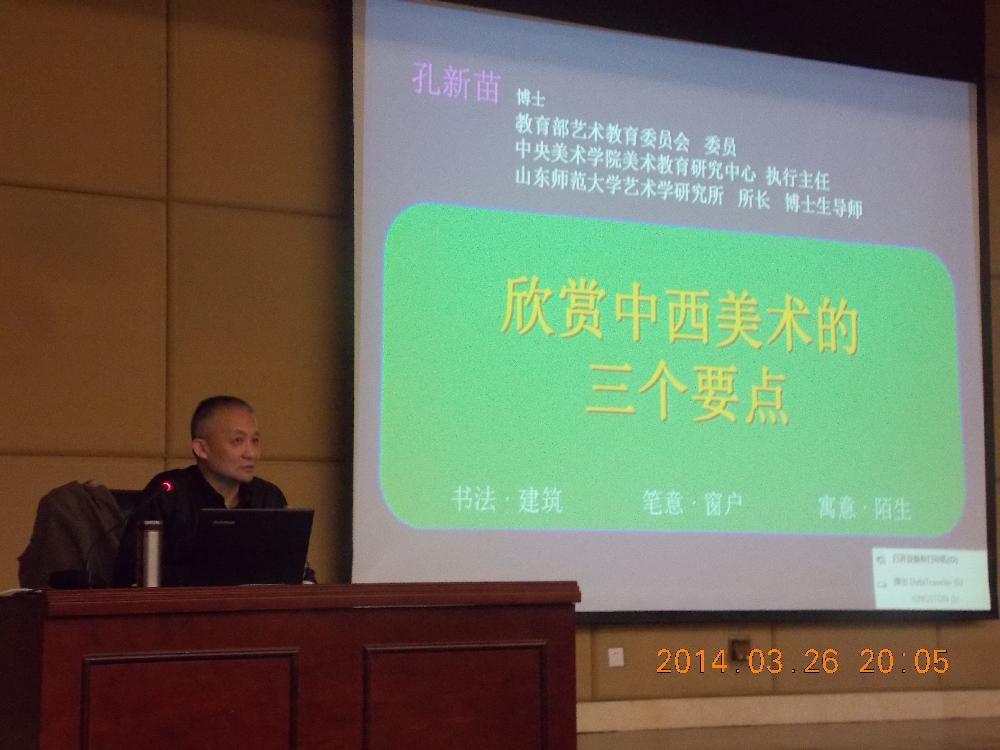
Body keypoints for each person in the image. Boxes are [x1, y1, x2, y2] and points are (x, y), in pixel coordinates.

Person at [113, 395, 309, 586]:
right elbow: (130, 575)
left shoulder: (268, 497)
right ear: (201, 449)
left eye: (255, 441)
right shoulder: (167, 494)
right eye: (237, 441)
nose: (251, 453)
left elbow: (299, 575)